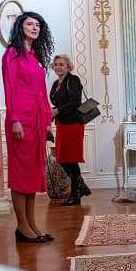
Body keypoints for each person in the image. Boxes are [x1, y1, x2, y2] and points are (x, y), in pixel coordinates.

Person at [3, 11, 55, 244]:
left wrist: (47, 121)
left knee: (33, 172)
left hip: (36, 120)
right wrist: (14, 119)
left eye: (38, 25)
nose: (35, 28)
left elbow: (42, 92)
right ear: (20, 27)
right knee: (21, 173)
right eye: (30, 24)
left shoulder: (35, 57)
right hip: (20, 121)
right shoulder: (12, 55)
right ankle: (22, 226)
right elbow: (10, 89)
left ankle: (32, 223)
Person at [49, 54, 91, 206]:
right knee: (62, 157)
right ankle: (81, 187)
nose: (58, 67)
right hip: (62, 124)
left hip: (73, 124)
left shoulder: (73, 80)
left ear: (68, 67)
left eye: (62, 64)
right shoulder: (56, 83)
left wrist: (57, 111)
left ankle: (76, 195)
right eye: (56, 64)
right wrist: (54, 112)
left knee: (70, 158)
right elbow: (58, 101)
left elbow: (74, 102)